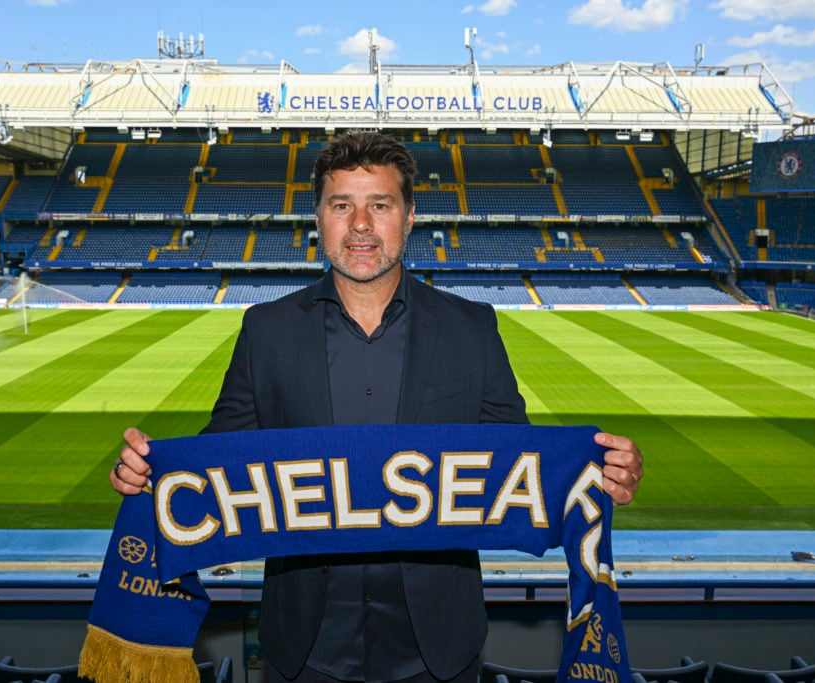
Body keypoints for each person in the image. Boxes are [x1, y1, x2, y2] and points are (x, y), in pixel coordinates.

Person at [111, 131, 644, 683]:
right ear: (318, 218)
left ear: (409, 217)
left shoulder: (472, 329)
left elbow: (521, 468)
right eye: (342, 205)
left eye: (380, 205)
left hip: (440, 648)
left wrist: (597, 476)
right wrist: (149, 474)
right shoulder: (265, 331)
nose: (361, 224)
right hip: (304, 647)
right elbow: (219, 459)